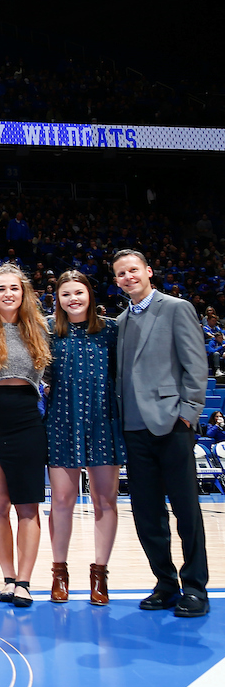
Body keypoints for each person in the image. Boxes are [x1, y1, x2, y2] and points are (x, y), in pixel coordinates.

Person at [113, 249, 209, 618]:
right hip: (134, 431)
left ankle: (196, 586)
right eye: (121, 273)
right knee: (148, 514)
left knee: (186, 511)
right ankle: (166, 583)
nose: (128, 277)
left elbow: (195, 365)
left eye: (133, 270)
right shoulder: (119, 321)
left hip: (171, 426)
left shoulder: (176, 307)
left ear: (148, 271)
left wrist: (187, 415)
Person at [0, 264, 51, 609]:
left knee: (28, 506)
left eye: (14, 288)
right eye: (0, 288)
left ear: (23, 293)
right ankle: (7, 577)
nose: (8, 293)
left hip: (26, 419)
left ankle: (24, 581)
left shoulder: (40, 330)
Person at [45, 271, 123, 605]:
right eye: (66, 294)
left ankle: (99, 576)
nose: (73, 299)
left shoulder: (111, 331)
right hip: (62, 419)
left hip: (103, 418)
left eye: (78, 292)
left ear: (89, 294)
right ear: (58, 299)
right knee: (62, 501)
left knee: (104, 501)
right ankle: (59, 574)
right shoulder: (49, 331)